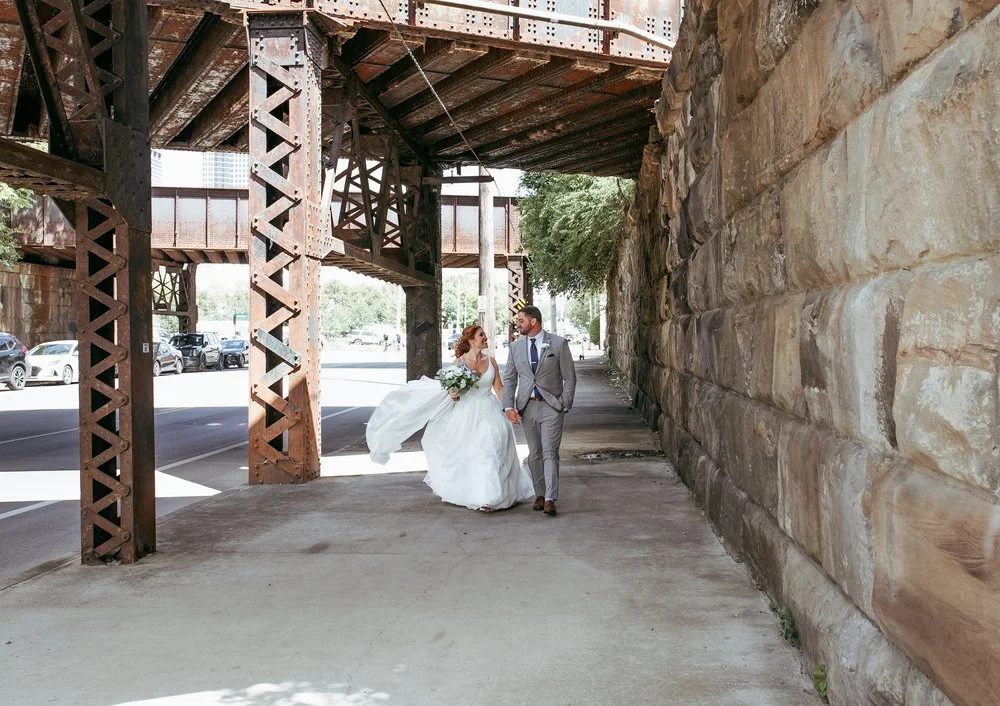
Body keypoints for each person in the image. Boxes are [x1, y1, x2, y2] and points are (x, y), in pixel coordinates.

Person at [366, 325, 535, 512]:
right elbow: (450, 390)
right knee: (475, 454)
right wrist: (453, 393)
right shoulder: (458, 364)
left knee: (490, 449)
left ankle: (490, 497)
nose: (485, 337)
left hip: (490, 411)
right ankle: (484, 497)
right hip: (466, 413)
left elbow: (499, 389)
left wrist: (510, 409)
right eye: (481, 335)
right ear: (471, 340)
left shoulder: (491, 362)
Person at [502, 306, 577, 517]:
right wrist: (508, 406)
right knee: (534, 453)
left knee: (549, 452)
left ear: (533, 321)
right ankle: (540, 495)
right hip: (527, 407)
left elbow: (570, 377)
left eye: (521, 320)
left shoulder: (558, 343)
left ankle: (551, 499)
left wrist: (565, 402)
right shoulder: (515, 347)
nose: (517, 324)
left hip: (552, 406)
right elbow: (510, 378)